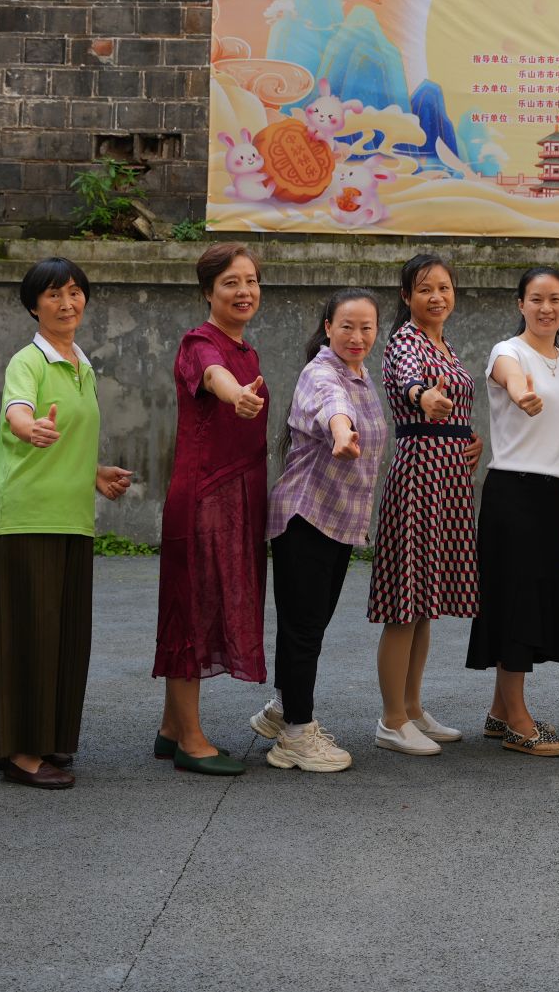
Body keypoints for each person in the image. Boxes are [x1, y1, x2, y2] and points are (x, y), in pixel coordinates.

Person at [0, 258, 135, 790]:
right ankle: (20, 752)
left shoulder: (81, 364)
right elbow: (18, 411)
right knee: (28, 634)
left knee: (65, 635)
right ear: (34, 306)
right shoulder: (27, 360)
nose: (66, 303)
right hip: (27, 516)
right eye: (53, 294)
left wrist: (94, 473)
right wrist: (28, 429)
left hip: (72, 517)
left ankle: (47, 738)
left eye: (74, 292)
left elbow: (69, 435)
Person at [250, 291, 387, 773]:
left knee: (309, 624)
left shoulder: (361, 375)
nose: (357, 336)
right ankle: (295, 735)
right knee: (304, 627)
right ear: (328, 327)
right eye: (347, 326)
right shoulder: (322, 372)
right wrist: (342, 431)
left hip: (337, 521)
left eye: (367, 327)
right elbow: (332, 406)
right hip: (305, 518)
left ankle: (283, 708)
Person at [152, 244, 271, 778]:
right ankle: (191, 739)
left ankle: (171, 726)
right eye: (231, 282)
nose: (244, 291)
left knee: (205, 607)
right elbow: (215, 376)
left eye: (251, 281)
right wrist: (235, 395)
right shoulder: (200, 343)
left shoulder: (249, 351)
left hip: (238, 496)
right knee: (192, 612)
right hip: (204, 498)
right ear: (208, 291)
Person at [366, 253, 483, 756]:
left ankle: (413, 708)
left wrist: (469, 439)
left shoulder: (444, 343)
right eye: (424, 289)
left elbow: (454, 408)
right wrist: (423, 398)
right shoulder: (405, 341)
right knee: (404, 602)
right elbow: (409, 381)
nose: (436, 297)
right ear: (406, 296)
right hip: (418, 477)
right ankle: (392, 720)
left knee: (425, 603)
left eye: (444, 288)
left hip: (449, 479)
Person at [467, 267, 559, 757]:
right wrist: (522, 395)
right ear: (521, 304)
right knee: (515, 601)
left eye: (554, 299)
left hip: (552, 497)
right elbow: (512, 380)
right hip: (512, 494)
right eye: (535, 299)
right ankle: (518, 720)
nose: (545, 308)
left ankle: (499, 712)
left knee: (532, 598)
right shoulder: (507, 352)